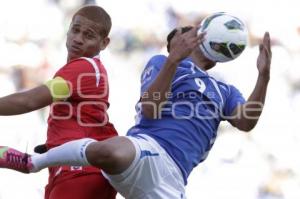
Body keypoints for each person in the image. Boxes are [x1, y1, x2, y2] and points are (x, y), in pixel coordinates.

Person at [0, 25, 272, 198]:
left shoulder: (225, 89)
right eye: (183, 34)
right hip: (148, 148)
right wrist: (173, 61)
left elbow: (246, 122)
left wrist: (264, 76)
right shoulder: (163, 64)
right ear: (174, 46)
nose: (192, 36)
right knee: (109, 151)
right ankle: (32, 163)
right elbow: (151, 108)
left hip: (174, 177)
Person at [0, 5, 117, 199]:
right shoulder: (89, 69)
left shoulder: (82, 68)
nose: (78, 39)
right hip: (83, 170)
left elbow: (29, 101)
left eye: (88, 35)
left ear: (104, 43)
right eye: (75, 30)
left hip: (78, 172)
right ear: (68, 28)